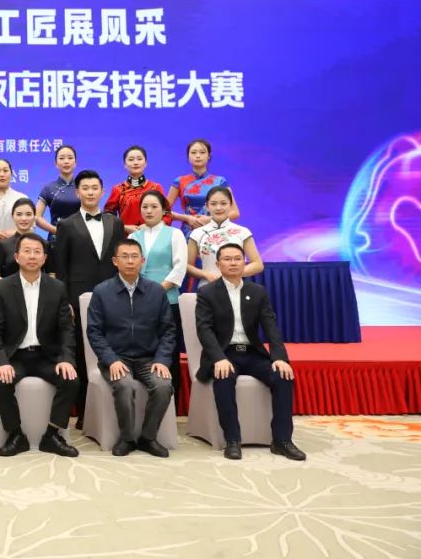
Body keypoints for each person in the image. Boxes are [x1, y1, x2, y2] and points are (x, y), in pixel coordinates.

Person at [195, 244, 306, 461]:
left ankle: (282, 440)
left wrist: (280, 358)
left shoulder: (257, 292)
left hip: (252, 353)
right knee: (223, 376)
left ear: (244, 262)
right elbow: (204, 330)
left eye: (238, 259)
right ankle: (232, 440)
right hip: (225, 353)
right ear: (218, 264)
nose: (233, 263)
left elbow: (271, 327)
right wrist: (218, 358)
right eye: (227, 259)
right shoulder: (207, 293)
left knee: (283, 376)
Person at [0, 234, 80, 458]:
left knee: (71, 380)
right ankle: (16, 434)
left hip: (47, 356)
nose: (32, 256)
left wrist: (66, 359)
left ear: (44, 258)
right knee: (0, 382)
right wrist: (1, 362)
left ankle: (52, 435)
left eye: (37, 252)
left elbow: (66, 329)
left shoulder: (56, 287)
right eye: (26, 251)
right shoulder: (2, 288)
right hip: (15, 356)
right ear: (17, 257)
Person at [85, 239, 175, 458]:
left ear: (142, 261)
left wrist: (162, 360)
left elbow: (168, 330)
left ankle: (148, 438)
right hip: (117, 357)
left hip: (148, 358)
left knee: (164, 386)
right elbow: (94, 332)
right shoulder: (102, 291)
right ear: (115, 261)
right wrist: (111, 360)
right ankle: (126, 438)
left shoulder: (156, 291)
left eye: (135, 256)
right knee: (124, 385)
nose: (130, 261)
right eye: (124, 256)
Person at [53, 169, 122, 426]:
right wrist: (65, 302)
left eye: (95, 188)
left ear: (102, 191)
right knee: (82, 354)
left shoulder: (115, 222)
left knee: (113, 347)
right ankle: (84, 412)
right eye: (85, 188)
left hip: (112, 296)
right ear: (77, 192)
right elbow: (61, 268)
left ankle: (114, 411)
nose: (90, 192)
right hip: (77, 297)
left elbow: (119, 262)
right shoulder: (66, 224)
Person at [131, 190, 187, 406]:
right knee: (143, 350)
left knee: (169, 352)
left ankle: (172, 407)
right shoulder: (133, 237)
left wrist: (157, 291)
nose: (149, 211)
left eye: (154, 206)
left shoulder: (175, 234)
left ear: (164, 210)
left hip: (168, 300)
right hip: (138, 302)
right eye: (145, 207)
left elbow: (180, 268)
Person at [187, 187, 263, 288]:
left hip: (235, 288)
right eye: (213, 204)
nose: (218, 208)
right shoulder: (197, 233)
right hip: (207, 288)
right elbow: (187, 266)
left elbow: (258, 265)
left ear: (230, 205)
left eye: (223, 203)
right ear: (207, 206)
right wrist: (205, 274)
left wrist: (233, 274)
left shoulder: (243, 232)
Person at [166, 139, 240, 237]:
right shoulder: (179, 181)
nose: (198, 156)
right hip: (189, 232)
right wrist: (187, 218)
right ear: (188, 156)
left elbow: (235, 213)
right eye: (193, 152)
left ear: (208, 156)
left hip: (215, 232)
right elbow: (164, 211)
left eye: (202, 152)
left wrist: (210, 219)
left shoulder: (220, 181)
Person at [103, 145, 170, 236]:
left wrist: (151, 227)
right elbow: (107, 216)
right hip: (126, 238)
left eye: (139, 159)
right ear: (125, 165)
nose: (135, 163)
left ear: (145, 163)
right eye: (131, 160)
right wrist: (124, 227)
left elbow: (167, 213)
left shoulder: (155, 187)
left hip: (153, 236)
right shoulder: (118, 189)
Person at [36, 144, 80, 242]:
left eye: (70, 158)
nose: (66, 161)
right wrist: (56, 231)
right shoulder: (48, 188)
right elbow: (37, 217)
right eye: (61, 158)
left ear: (75, 163)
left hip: (81, 239)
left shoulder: (83, 187)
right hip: (56, 240)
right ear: (56, 163)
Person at [0, 197, 39, 285]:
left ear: (34, 217)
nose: (24, 218)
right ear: (13, 216)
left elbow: (51, 274)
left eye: (28, 214)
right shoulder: (3, 244)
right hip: (9, 292)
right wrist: (9, 287)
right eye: (19, 214)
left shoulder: (44, 244)